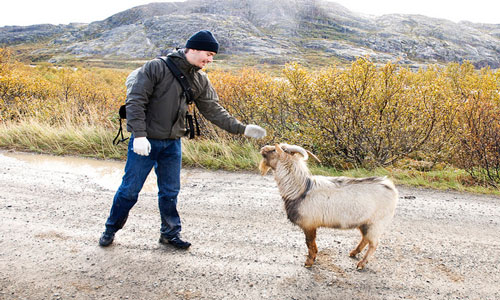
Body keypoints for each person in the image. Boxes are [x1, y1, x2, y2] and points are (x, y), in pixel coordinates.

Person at [99, 30, 266, 249]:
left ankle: (169, 234)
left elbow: (213, 110)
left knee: (170, 192)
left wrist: (241, 129)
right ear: (193, 49)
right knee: (130, 191)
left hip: (173, 143)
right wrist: (138, 135)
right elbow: (135, 101)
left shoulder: (199, 78)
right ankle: (110, 229)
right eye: (208, 54)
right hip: (145, 142)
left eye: (213, 56)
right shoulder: (156, 67)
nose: (210, 60)